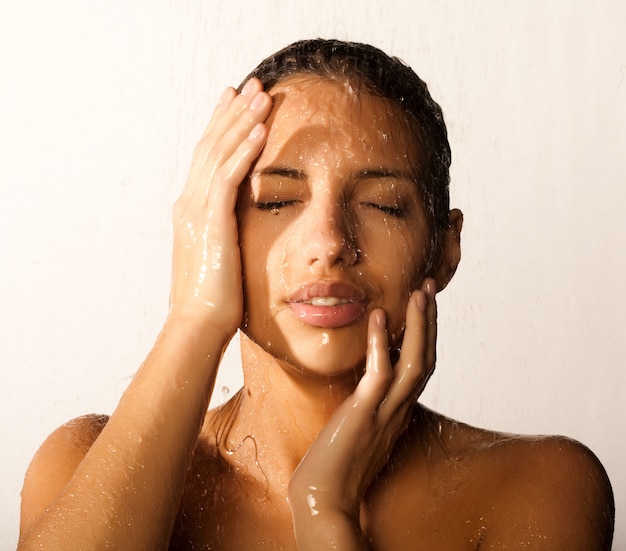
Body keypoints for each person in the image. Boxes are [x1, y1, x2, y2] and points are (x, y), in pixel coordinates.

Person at [18, 39, 614, 550]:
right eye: (275, 201)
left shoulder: (540, 485)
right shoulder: (84, 467)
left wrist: (323, 512)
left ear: (443, 249)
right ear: (215, 228)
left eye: (382, 204)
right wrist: (194, 316)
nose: (329, 242)